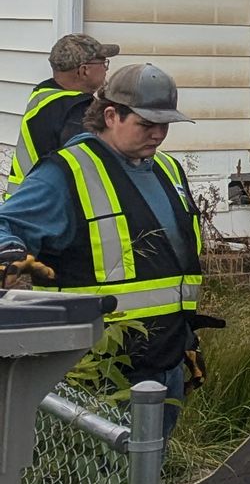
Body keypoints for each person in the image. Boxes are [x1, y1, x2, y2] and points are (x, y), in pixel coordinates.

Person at [0, 61, 204, 421]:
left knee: (151, 472)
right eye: (146, 124)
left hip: (166, 360)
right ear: (111, 116)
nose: (157, 134)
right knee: (108, 475)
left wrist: (185, 338)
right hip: (96, 372)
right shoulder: (66, 173)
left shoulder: (168, 171)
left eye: (164, 125)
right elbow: (5, 226)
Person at [6, 32, 120, 186]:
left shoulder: (44, 96)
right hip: (48, 204)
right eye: (103, 63)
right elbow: (89, 168)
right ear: (84, 70)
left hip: (24, 198)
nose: (106, 69)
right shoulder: (77, 111)